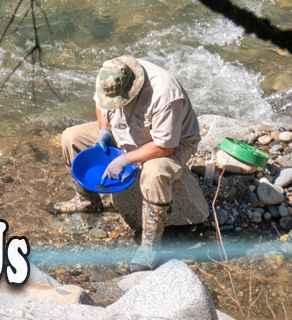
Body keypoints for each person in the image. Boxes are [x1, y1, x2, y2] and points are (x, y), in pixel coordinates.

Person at [53, 56, 200, 272]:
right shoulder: (108, 75)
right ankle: (87, 200)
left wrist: (124, 159)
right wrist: (104, 129)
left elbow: (164, 147)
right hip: (124, 130)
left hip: (170, 143)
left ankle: (150, 247)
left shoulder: (165, 94)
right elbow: (101, 107)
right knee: (71, 137)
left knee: (154, 172)